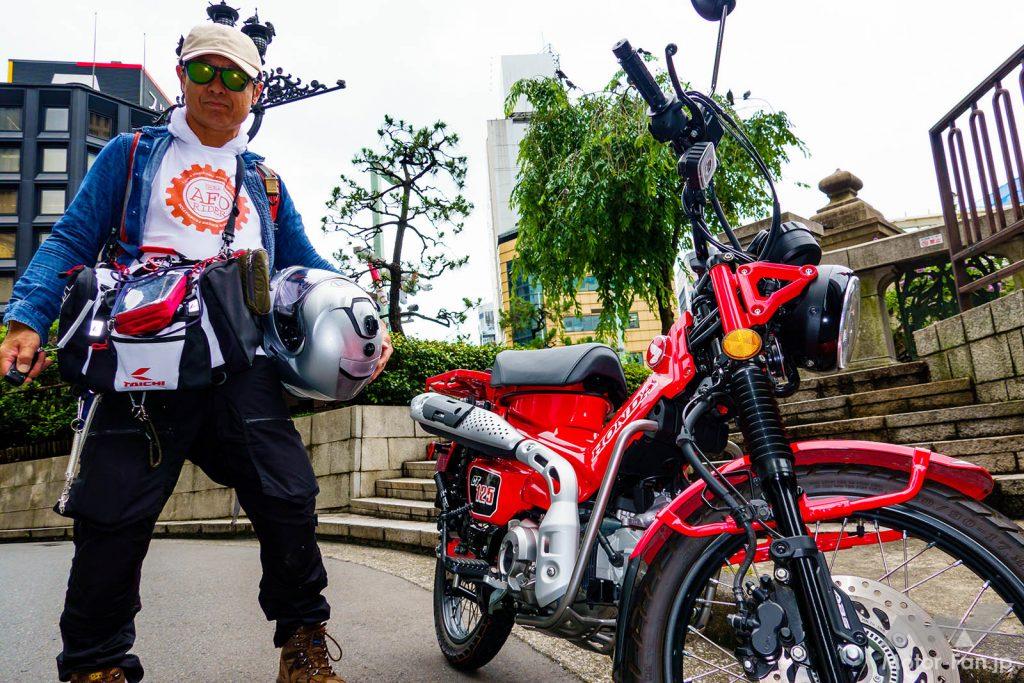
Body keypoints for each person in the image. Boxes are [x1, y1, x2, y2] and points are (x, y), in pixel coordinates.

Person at [0, 21, 391, 683]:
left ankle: (303, 646)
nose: (219, 86)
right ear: (180, 77)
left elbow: (307, 265)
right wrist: (26, 318)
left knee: (289, 495)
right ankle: (95, 665)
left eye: (235, 77)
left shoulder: (263, 182)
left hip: (240, 363)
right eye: (205, 71)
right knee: (112, 515)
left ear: (255, 91)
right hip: (140, 359)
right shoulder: (130, 156)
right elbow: (68, 242)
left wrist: (366, 324)